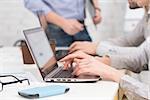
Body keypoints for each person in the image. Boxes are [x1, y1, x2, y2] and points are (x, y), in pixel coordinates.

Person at [68, 0, 150, 72]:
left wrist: (98, 50)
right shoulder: (147, 15)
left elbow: (142, 56)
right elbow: (129, 41)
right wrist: (97, 49)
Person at [24, 0, 102, 47]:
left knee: (90, 65)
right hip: (57, 29)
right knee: (61, 68)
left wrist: (96, 8)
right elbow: (32, 2)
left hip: (80, 26)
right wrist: (63, 23)